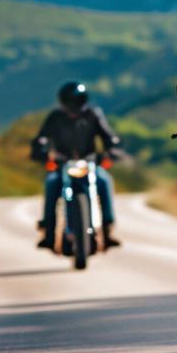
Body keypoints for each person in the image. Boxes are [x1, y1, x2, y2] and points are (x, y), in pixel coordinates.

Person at [30, 81, 121, 251]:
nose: (73, 106)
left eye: (77, 101)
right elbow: (41, 137)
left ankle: (107, 230)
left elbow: (108, 136)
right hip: (61, 165)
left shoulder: (93, 114)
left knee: (104, 181)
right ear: (63, 102)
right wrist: (40, 150)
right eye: (70, 101)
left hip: (90, 163)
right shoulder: (55, 117)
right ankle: (48, 233)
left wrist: (112, 149)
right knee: (51, 184)